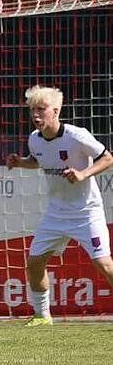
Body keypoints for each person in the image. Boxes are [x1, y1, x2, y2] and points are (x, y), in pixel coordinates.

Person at [6, 85, 113, 326]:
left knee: (104, 264)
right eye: (33, 110)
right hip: (55, 214)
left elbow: (108, 158)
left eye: (41, 110)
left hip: (86, 213)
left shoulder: (77, 135)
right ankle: (42, 316)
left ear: (55, 111)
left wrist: (84, 174)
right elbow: (39, 161)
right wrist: (21, 163)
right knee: (34, 262)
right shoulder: (34, 139)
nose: (35, 115)